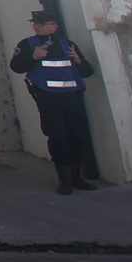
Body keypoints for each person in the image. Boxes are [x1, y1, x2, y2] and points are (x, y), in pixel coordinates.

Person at [9, 10, 98, 195]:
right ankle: (64, 179)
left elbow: (87, 71)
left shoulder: (68, 44)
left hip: (73, 98)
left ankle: (76, 176)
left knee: (78, 136)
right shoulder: (27, 45)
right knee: (58, 137)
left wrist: (78, 60)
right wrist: (33, 57)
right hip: (48, 98)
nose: (37, 27)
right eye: (36, 24)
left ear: (54, 26)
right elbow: (16, 67)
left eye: (45, 24)